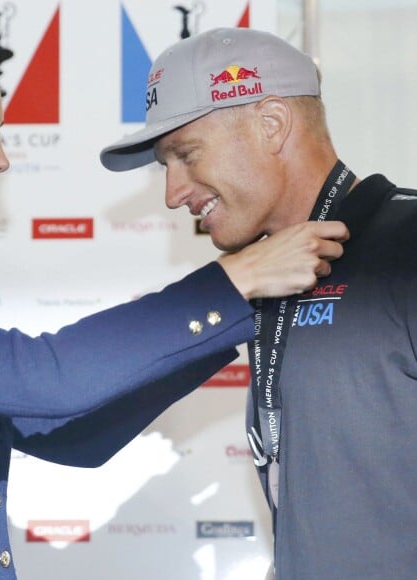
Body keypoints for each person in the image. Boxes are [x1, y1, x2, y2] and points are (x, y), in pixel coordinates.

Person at [0, 19, 347, 580]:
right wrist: (230, 285)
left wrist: (239, 314)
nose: (1, 158)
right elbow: (44, 381)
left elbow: (66, 434)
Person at [101, 26, 417, 580]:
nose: (173, 193)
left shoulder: (408, 243)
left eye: (186, 154)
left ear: (271, 125)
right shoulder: (268, 277)